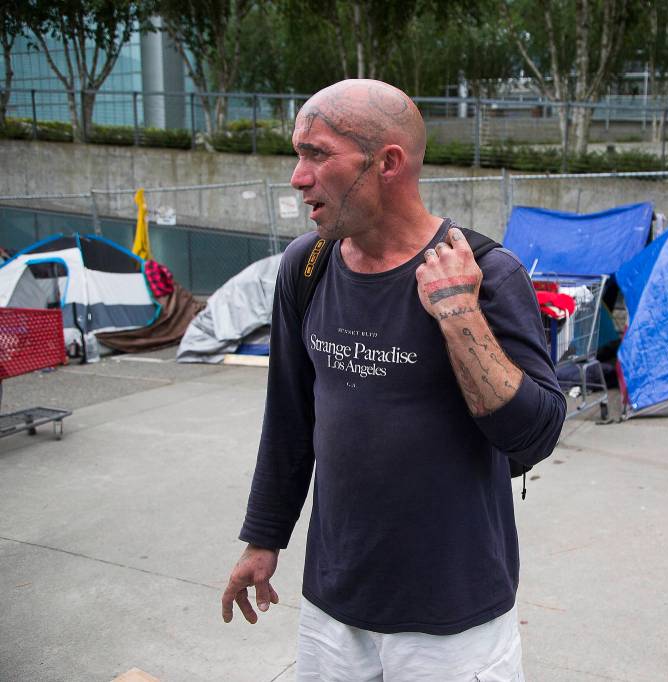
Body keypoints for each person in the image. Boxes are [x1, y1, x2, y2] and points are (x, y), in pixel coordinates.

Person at [220, 79, 566, 680]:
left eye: (317, 154)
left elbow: (534, 437)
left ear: (388, 163)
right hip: (333, 603)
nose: (298, 178)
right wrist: (263, 538)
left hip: (453, 618)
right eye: (298, 155)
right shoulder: (306, 265)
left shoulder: (486, 272)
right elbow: (290, 419)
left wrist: (459, 312)